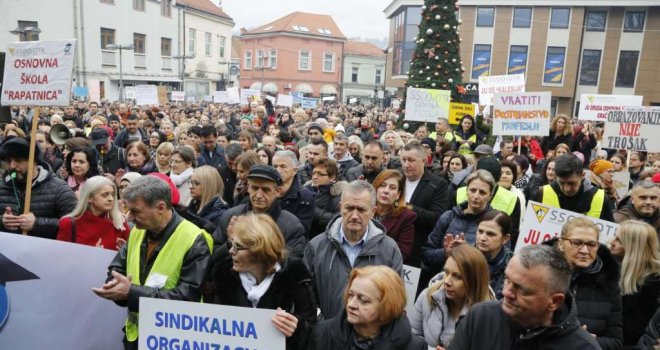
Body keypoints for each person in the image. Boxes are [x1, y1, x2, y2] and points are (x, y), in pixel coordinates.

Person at [93, 176, 212, 349]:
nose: (130, 217)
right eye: (128, 210)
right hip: (136, 336)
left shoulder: (195, 239)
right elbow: (117, 268)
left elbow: (187, 298)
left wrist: (130, 293)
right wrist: (113, 286)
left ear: (160, 207)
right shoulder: (137, 231)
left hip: (173, 340)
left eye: (136, 211)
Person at [448, 244, 601, 350]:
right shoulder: (480, 317)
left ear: (555, 301)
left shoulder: (583, 347)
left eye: (522, 290)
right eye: (507, 280)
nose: (506, 292)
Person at [210, 213, 316, 349]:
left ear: (259, 250)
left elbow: (311, 327)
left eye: (238, 247)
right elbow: (216, 324)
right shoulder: (223, 273)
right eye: (231, 244)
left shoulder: (294, 272)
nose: (231, 251)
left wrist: (296, 329)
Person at [303, 181, 403, 318]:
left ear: (373, 211)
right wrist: (323, 326)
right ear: (340, 208)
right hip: (326, 334)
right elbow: (306, 298)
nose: (355, 216)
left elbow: (394, 299)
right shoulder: (316, 247)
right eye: (349, 208)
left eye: (361, 210)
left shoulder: (389, 249)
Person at [545, 218, 623, 349]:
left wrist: (587, 341)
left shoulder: (609, 283)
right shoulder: (539, 275)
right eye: (577, 243)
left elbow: (616, 342)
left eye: (592, 244)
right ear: (560, 244)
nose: (585, 251)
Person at [310, 265, 426, 350]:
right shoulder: (322, 333)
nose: (350, 304)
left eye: (363, 300)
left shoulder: (414, 346)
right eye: (350, 295)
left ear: (387, 306)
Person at [410, 245, 494, 348]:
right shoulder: (427, 296)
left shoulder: (489, 316)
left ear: (474, 280)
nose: (447, 281)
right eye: (446, 272)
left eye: (457, 276)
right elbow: (411, 339)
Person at [214, 165, 307, 257]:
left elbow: (293, 264)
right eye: (255, 188)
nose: (258, 195)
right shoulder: (231, 217)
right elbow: (214, 256)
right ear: (248, 188)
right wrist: (230, 244)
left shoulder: (291, 226)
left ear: (278, 192)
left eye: (266, 190)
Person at [423, 170, 500, 272]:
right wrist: (446, 253)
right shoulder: (448, 217)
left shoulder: (495, 224)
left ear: (490, 196)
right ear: (466, 190)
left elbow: (499, 264)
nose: (476, 196)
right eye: (472, 190)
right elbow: (426, 254)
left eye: (482, 192)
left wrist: (465, 254)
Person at [0, 137, 77, 238]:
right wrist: (2, 221)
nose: (12, 166)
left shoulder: (60, 189)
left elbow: (76, 223)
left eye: (18, 160)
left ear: (34, 160)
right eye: (8, 161)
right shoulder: (2, 186)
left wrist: (37, 224)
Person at [609, 220, 660, 347]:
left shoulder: (654, 283)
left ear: (633, 247)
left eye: (618, 240)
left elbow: (636, 329)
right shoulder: (610, 265)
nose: (612, 242)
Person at [401, 141, 450, 266]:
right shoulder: (396, 179)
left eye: (411, 160)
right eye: (404, 160)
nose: (406, 164)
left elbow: (436, 218)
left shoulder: (438, 184)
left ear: (424, 161)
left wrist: (406, 207)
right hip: (395, 247)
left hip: (418, 252)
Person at [533, 154, 615, 221]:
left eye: (571, 183)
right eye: (561, 183)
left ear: (582, 175)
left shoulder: (600, 198)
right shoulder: (542, 193)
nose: (566, 189)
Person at [57, 176, 129, 250]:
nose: (111, 199)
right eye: (105, 195)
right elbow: (62, 256)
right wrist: (92, 255)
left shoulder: (120, 221)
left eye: (112, 194)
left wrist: (125, 252)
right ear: (90, 198)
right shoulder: (69, 223)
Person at [372, 169, 416, 261]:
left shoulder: (406, 217)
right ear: (376, 188)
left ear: (398, 195)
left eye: (392, 188)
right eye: (382, 185)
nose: (386, 191)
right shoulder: (364, 208)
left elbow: (403, 252)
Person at [272, 150, 315, 234]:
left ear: (294, 171)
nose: (278, 170)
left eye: (283, 166)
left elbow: (301, 230)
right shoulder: (266, 192)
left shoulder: (305, 197)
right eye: (275, 166)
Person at [474, 211, 512, 299]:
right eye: (480, 231)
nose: (482, 238)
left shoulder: (513, 267)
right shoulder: (464, 256)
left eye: (490, 234)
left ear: (505, 239)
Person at [304, 158, 347, 237]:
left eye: (320, 174)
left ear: (332, 177)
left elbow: (338, 219)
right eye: (313, 173)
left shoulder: (340, 195)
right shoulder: (305, 191)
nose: (315, 177)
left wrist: (315, 212)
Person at [182, 165, 228, 234]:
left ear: (209, 185)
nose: (190, 187)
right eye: (191, 182)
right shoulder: (192, 206)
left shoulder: (220, 213)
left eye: (196, 183)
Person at [218, 143, 243, 207]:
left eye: (236, 163)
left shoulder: (248, 172)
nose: (233, 167)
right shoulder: (221, 172)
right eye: (230, 163)